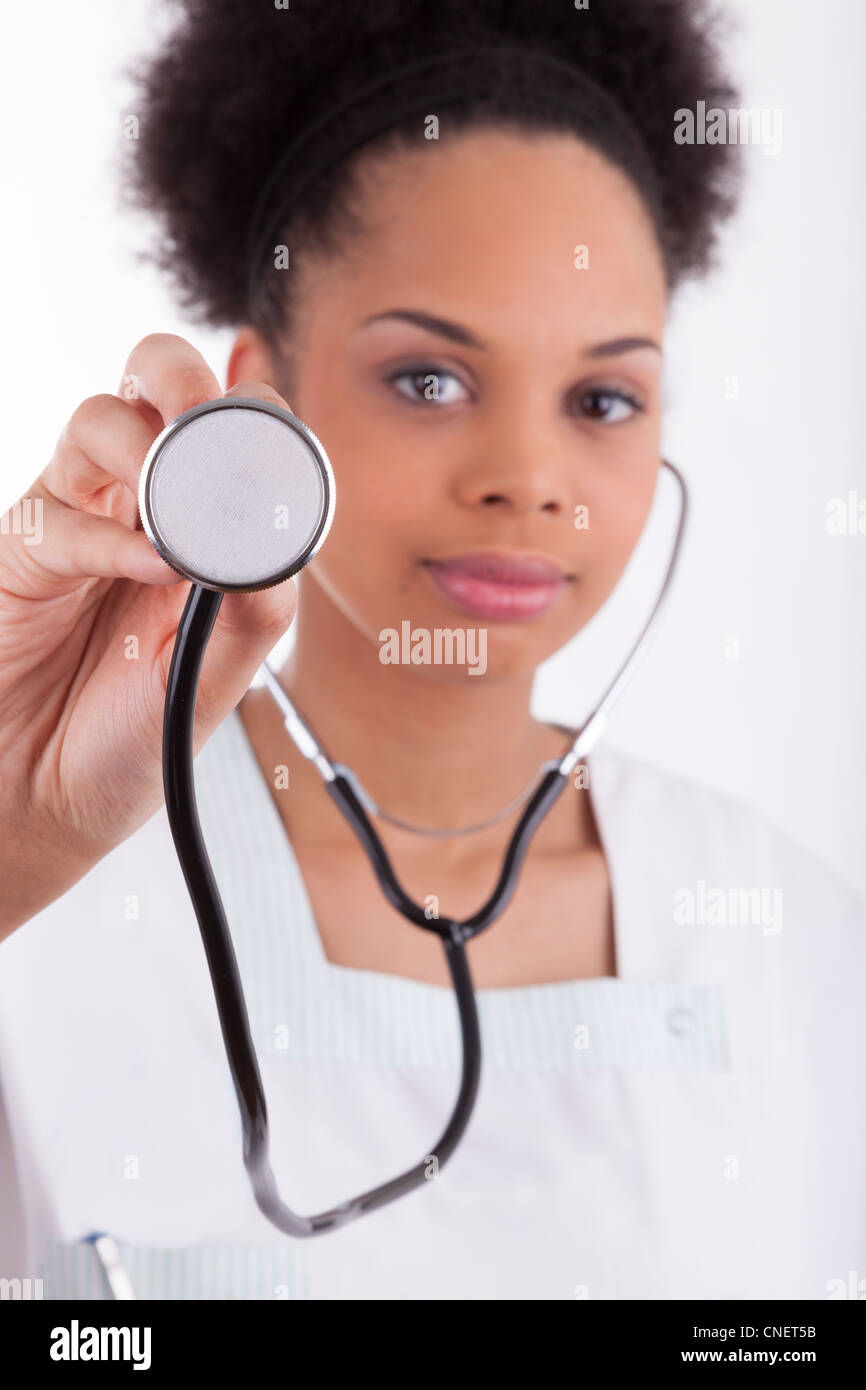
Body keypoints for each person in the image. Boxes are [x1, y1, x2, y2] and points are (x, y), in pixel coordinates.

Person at [0, 0, 863, 1301]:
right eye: (427, 378)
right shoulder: (40, 908)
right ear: (255, 407)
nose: (527, 478)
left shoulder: (789, 936)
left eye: (602, 399)